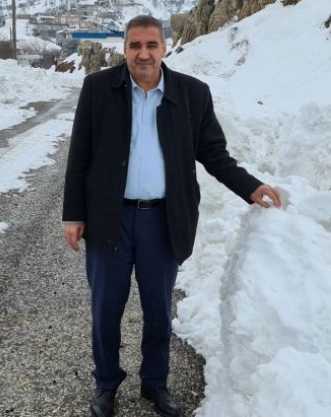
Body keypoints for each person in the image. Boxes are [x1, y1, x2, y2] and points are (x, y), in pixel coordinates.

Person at [62, 15, 281, 417]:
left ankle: (155, 383)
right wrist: (73, 214)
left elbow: (213, 153)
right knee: (105, 310)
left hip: (162, 221)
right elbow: (79, 156)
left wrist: (250, 186)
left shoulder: (192, 94)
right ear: (124, 49)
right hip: (109, 218)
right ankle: (106, 384)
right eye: (135, 46)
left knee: (159, 310)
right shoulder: (98, 89)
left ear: (164, 48)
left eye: (151, 45)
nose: (143, 54)